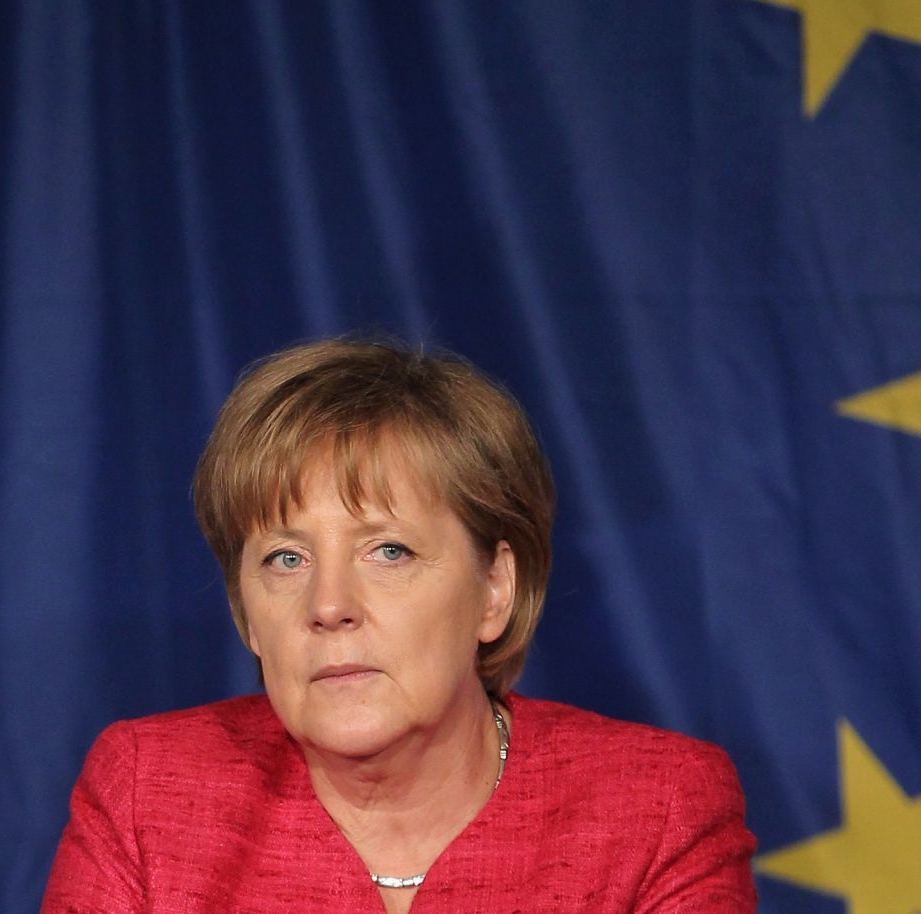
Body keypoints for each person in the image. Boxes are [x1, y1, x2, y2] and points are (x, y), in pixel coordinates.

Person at [42, 339, 756, 913]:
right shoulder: (148, 793)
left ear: (493, 590)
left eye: (389, 550)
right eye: (286, 558)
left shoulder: (654, 808)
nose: (328, 605)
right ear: (246, 613)